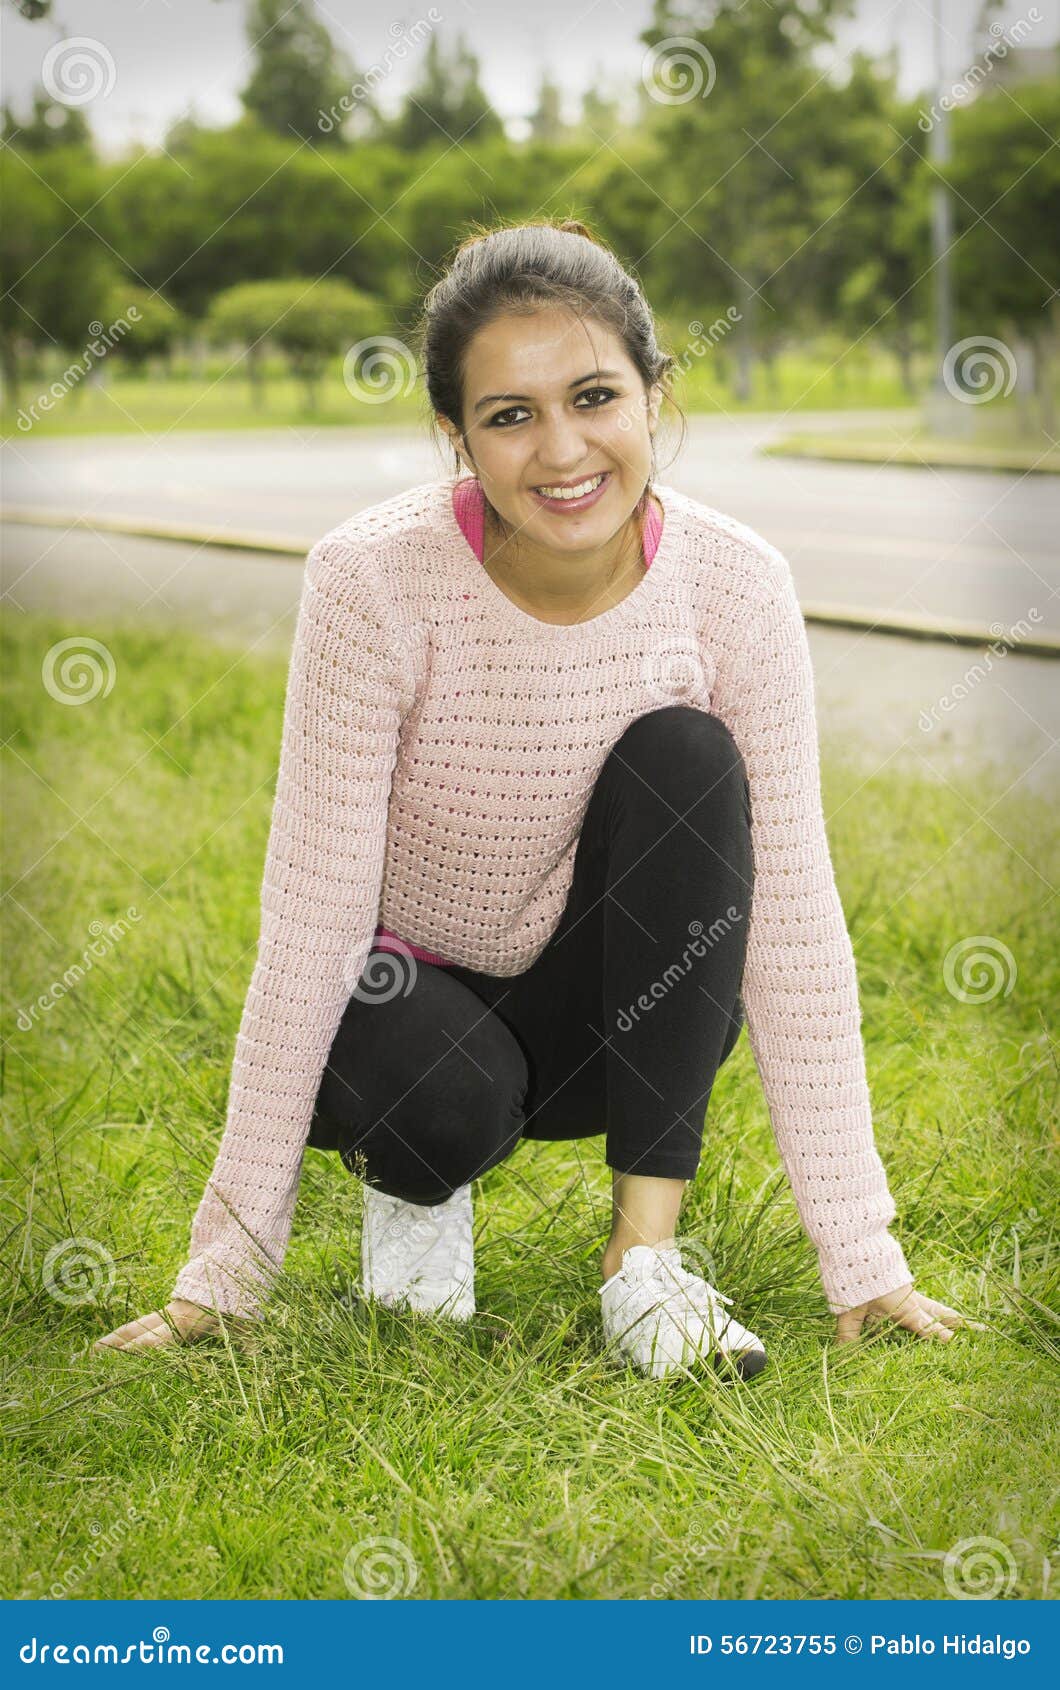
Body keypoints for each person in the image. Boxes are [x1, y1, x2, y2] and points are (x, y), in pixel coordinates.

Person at [93, 219, 974, 1374]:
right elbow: (313, 918)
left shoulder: (736, 584)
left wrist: (862, 1254)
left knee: (688, 755)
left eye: (594, 395)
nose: (562, 451)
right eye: (509, 415)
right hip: (403, 1007)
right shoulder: (369, 580)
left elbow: (796, 919)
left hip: (610, 1018)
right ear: (454, 435)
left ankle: (644, 1268)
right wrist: (224, 1274)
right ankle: (414, 1189)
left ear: (656, 397)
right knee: (442, 1090)